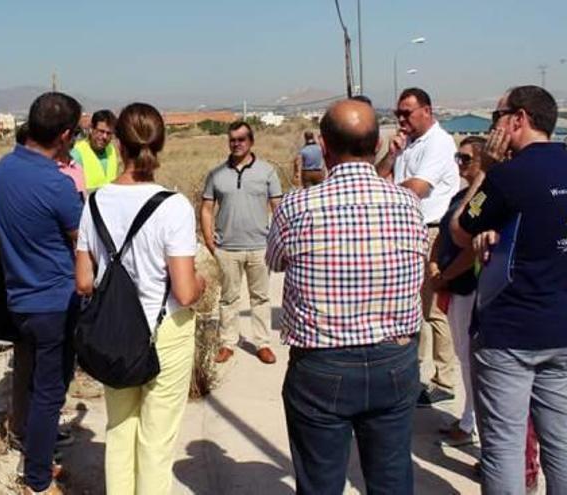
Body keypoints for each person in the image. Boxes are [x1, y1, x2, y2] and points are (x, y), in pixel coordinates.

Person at [268, 99, 427, 494]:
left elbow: (275, 261)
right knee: (392, 478)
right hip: (395, 358)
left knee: (320, 482)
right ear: (377, 145)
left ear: (323, 146)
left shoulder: (297, 205)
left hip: (322, 364)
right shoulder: (408, 204)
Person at [75, 103, 206, 495]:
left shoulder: (94, 202)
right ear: (161, 145)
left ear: (117, 144)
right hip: (165, 332)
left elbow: (83, 282)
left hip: (114, 334)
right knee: (155, 442)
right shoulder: (174, 206)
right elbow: (184, 291)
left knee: (119, 432)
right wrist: (201, 283)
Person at [449, 85, 567, 494]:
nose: (494, 124)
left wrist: (487, 170)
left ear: (518, 119)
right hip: (561, 330)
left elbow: (461, 231)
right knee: (562, 447)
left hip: (510, 335)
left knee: (503, 449)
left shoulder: (508, 177)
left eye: (498, 115)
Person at [0, 92, 84, 495]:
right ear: (64, 135)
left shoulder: (1, 171)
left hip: (18, 299)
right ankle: (38, 481)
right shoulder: (57, 185)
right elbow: (84, 244)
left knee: (32, 385)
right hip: (54, 303)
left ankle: (39, 458)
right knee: (49, 394)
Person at [376, 87, 460, 407]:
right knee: (413, 308)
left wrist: (385, 192)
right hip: (408, 231)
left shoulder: (438, 143)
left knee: (434, 309)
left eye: (407, 112)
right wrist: (393, 154)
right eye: (398, 113)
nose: (401, 118)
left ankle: (445, 378)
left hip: (432, 233)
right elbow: (377, 175)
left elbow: (418, 188)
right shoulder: (408, 143)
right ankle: (415, 372)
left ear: (427, 110)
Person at [201, 121, 282, 365]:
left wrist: (276, 240)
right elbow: (206, 208)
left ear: (251, 141)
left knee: (260, 298)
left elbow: (277, 208)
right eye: (232, 140)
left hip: (259, 247)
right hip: (227, 248)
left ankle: (262, 344)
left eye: (241, 139)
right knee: (228, 299)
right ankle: (228, 343)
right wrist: (209, 240)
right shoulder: (216, 174)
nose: (236, 144)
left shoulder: (267, 172)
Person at [429, 136, 486, 447]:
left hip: (468, 287)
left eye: (466, 159)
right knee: (463, 357)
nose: (460, 164)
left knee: (469, 359)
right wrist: (435, 264)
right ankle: (468, 418)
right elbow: (444, 232)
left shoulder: (481, 200)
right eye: (458, 158)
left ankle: (471, 424)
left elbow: (471, 247)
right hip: (452, 285)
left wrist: (447, 274)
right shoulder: (461, 196)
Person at [71, 109, 119, 192]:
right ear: (91, 129)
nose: (104, 136)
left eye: (109, 133)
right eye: (101, 131)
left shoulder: (111, 150)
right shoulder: (77, 153)